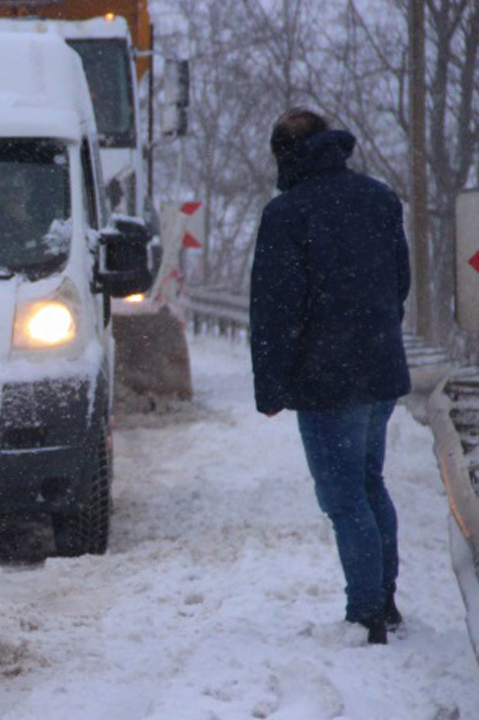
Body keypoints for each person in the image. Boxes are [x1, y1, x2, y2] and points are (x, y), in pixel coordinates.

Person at [249, 109, 411, 645]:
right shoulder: (379, 198)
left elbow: (276, 309)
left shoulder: (288, 214)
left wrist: (271, 385)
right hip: (380, 368)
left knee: (344, 499)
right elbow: (400, 281)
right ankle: (384, 603)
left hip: (327, 379)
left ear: (286, 155)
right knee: (370, 485)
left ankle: (365, 616)